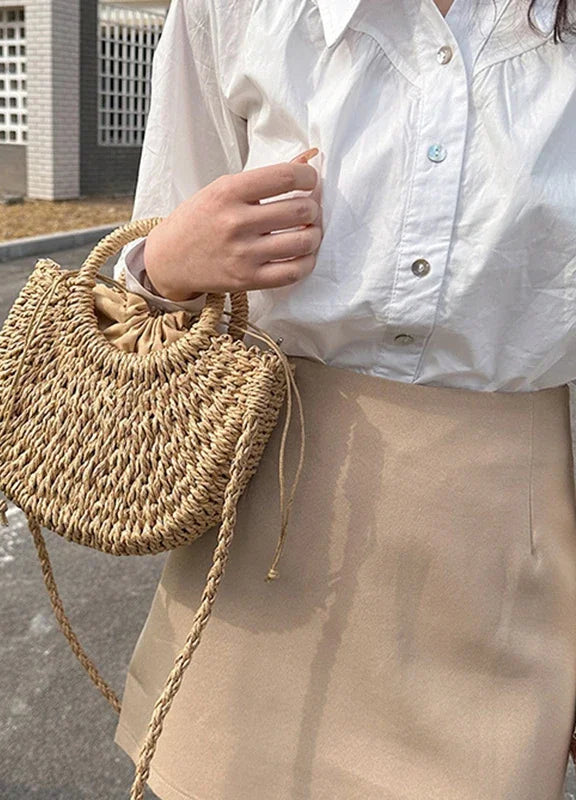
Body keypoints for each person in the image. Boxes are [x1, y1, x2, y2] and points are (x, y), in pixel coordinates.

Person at [110, 0, 576, 797]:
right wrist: (162, 264)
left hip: (503, 571)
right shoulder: (234, 11)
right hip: (258, 541)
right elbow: (150, 285)